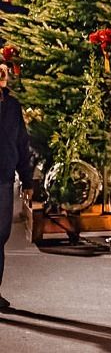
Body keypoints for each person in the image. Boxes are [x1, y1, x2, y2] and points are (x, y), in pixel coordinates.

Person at [0, 63, 33, 309]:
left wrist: (27, 180)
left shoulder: (12, 106)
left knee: (1, 236)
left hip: (3, 180)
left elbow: (22, 143)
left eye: (3, 72)